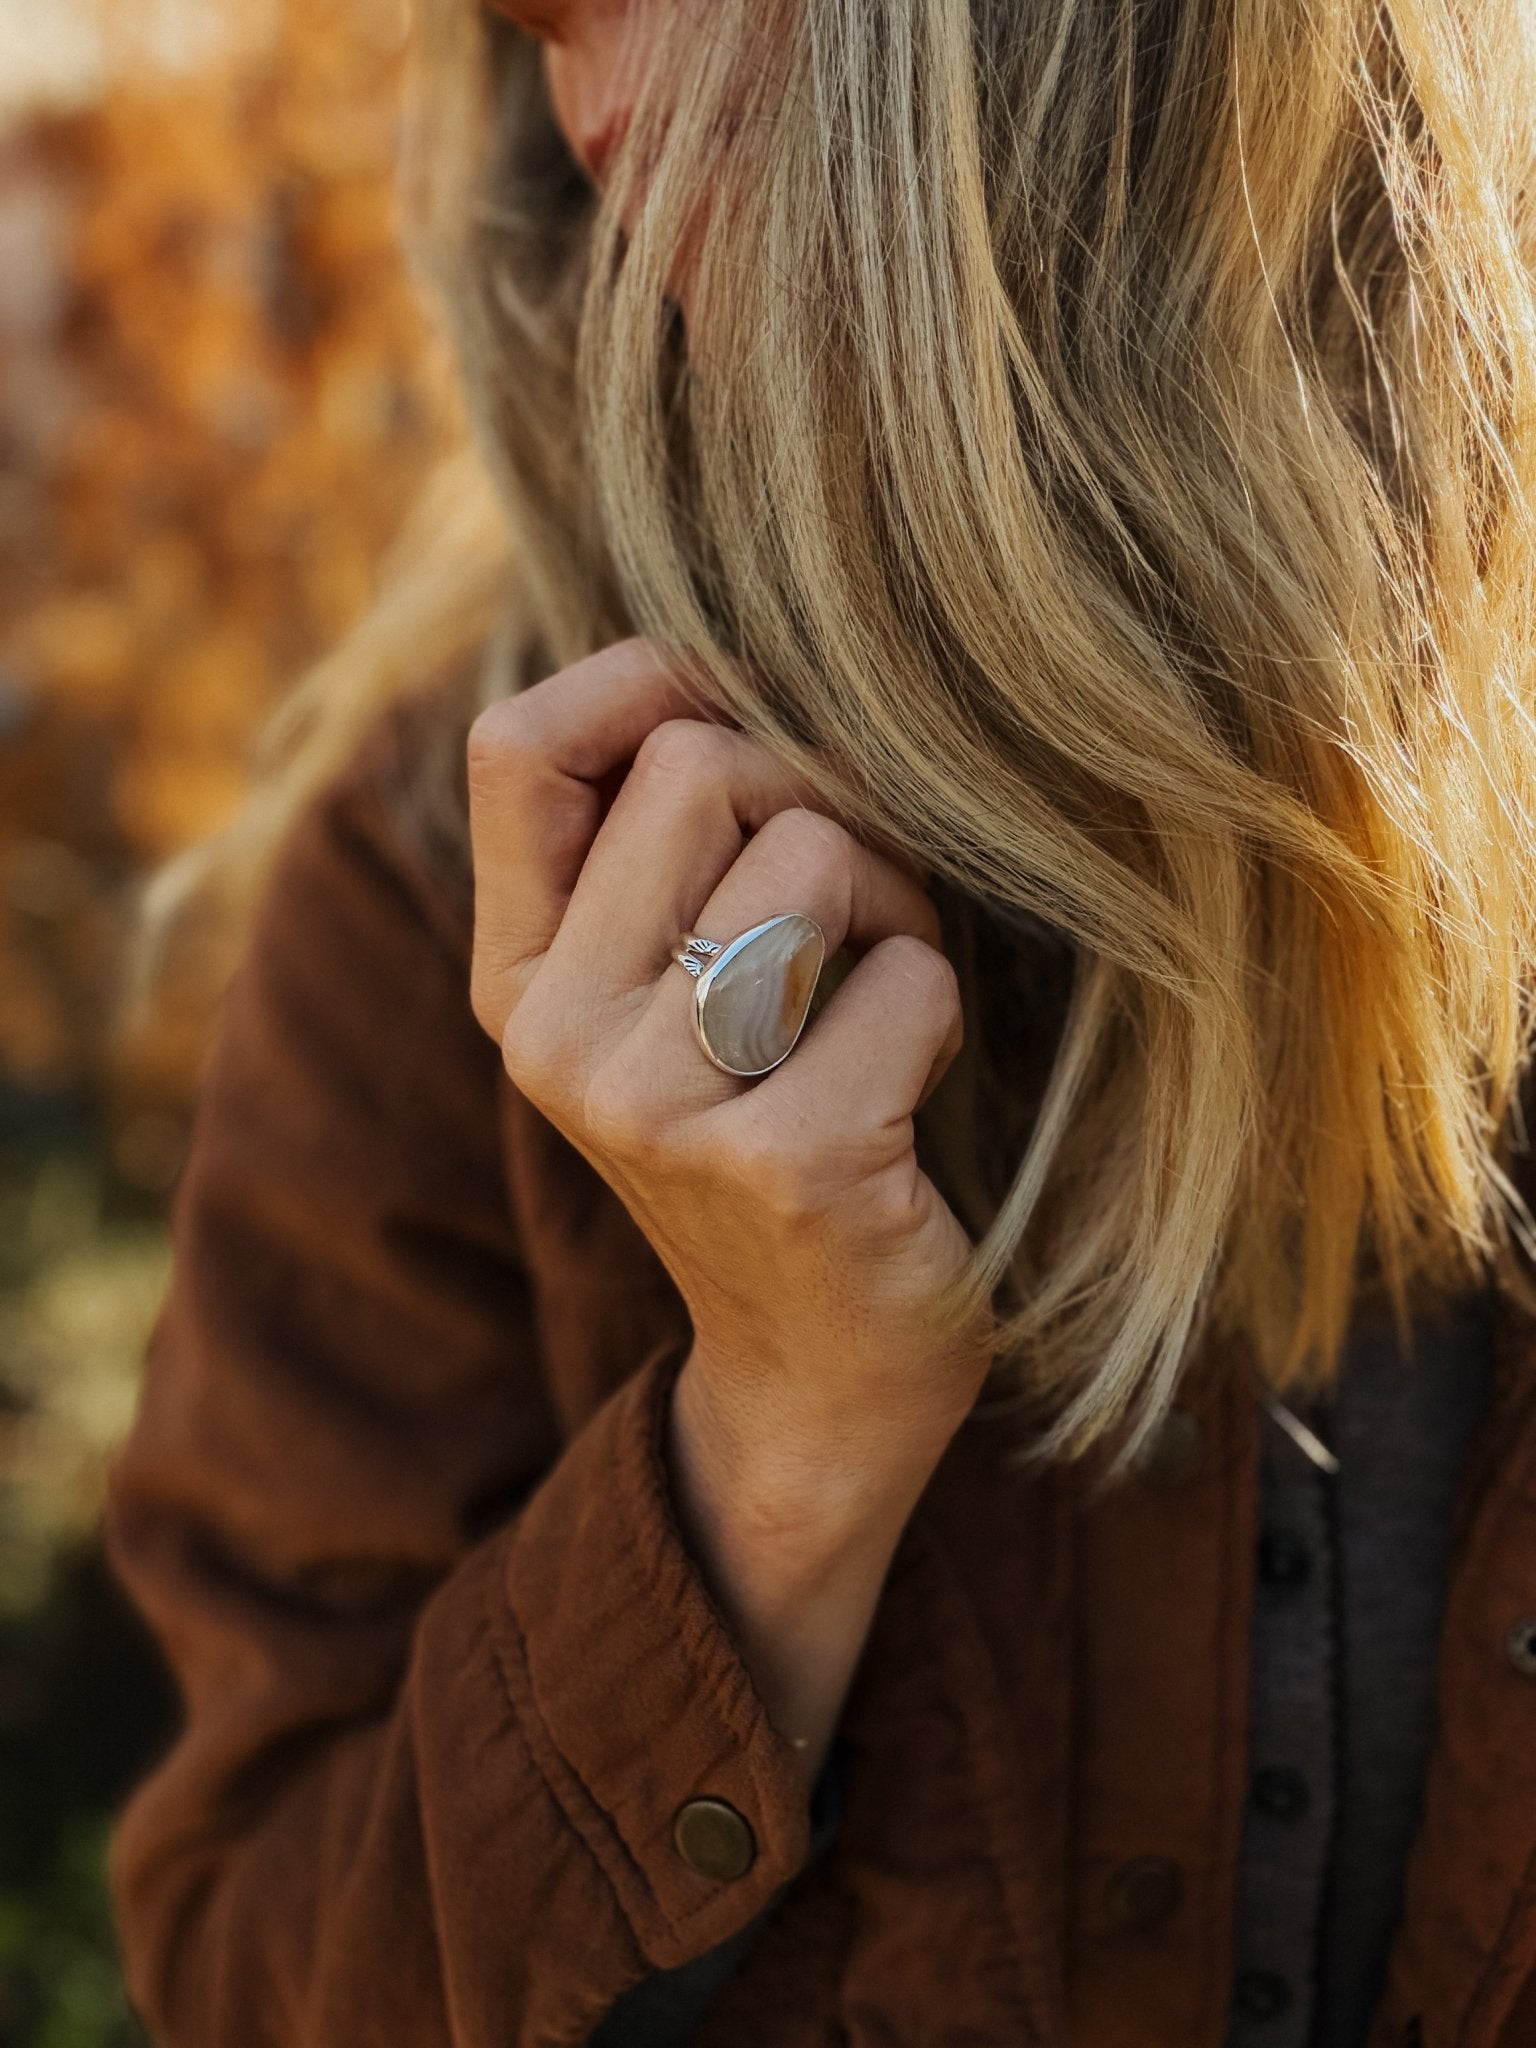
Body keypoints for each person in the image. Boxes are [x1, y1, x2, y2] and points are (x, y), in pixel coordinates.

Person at [106, 0, 1536, 2042]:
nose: (560, 78)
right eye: (521, 28)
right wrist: (767, 1456)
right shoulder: (463, 864)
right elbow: (249, 1974)